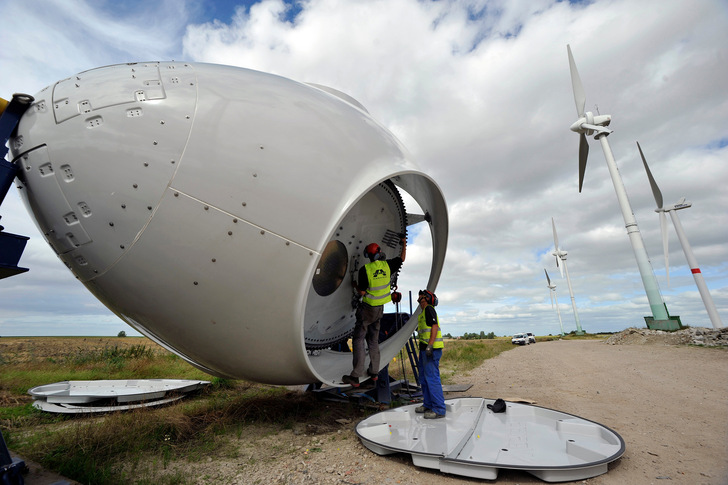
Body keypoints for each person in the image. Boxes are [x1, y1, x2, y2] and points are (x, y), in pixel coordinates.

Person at [342, 237, 406, 387]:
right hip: (379, 310)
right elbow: (402, 258)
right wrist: (404, 244)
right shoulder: (387, 265)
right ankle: (374, 373)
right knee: (373, 341)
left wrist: (355, 285)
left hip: (367, 309)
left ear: (367, 256)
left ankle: (355, 376)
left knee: (358, 339)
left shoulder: (366, 270)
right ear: (379, 253)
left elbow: (363, 292)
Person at [415, 289, 446, 419]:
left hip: (431, 350)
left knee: (432, 379)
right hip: (424, 350)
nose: (419, 301)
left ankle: (439, 409)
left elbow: (434, 326)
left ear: (426, 299)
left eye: (420, 299)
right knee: (424, 378)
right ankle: (428, 404)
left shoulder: (429, 309)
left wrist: (430, 345)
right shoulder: (422, 313)